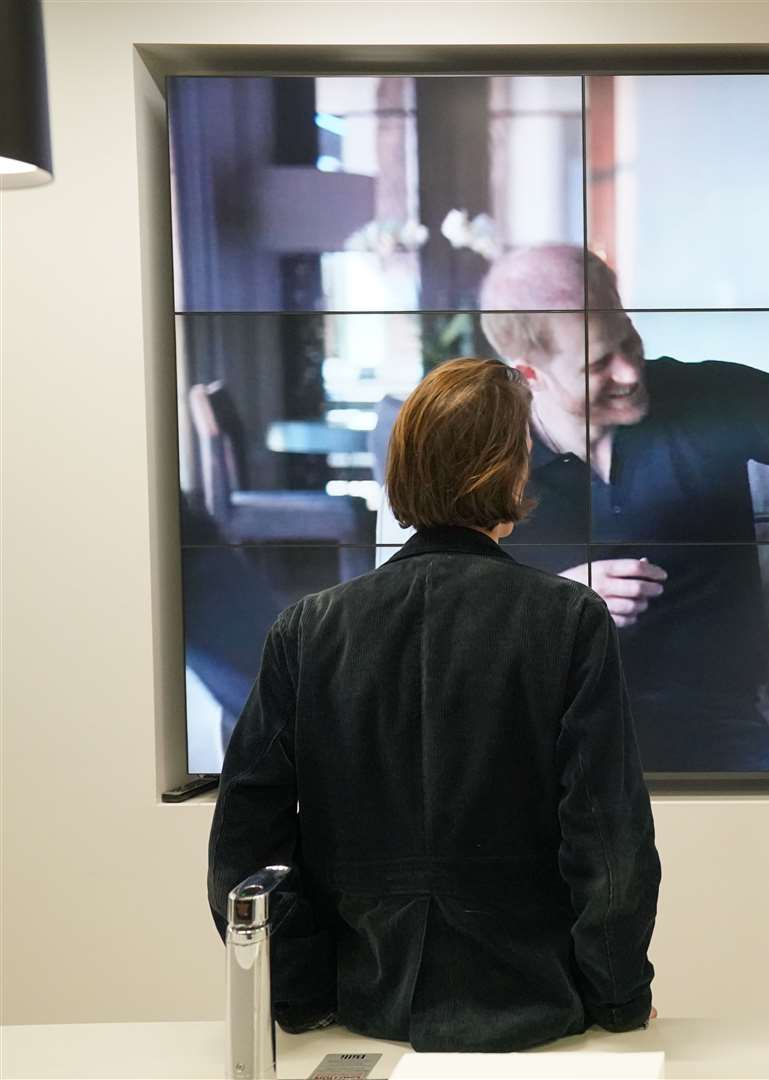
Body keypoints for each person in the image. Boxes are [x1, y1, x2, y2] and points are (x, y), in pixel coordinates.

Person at [207, 358, 660, 1051]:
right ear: (512, 468)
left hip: (361, 1012)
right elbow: (608, 842)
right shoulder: (568, 619)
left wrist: (303, 994)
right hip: (535, 1017)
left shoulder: (308, 628)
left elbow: (244, 847)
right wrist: (618, 999)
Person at [421, 245, 769, 772]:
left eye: (628, 338)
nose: (630, 371)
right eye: (599, 362)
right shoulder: (481, 461)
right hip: (548, 751)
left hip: (719, 736)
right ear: (530, 373)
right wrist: (552, 601)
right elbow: (431, 618)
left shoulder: (709, 397)